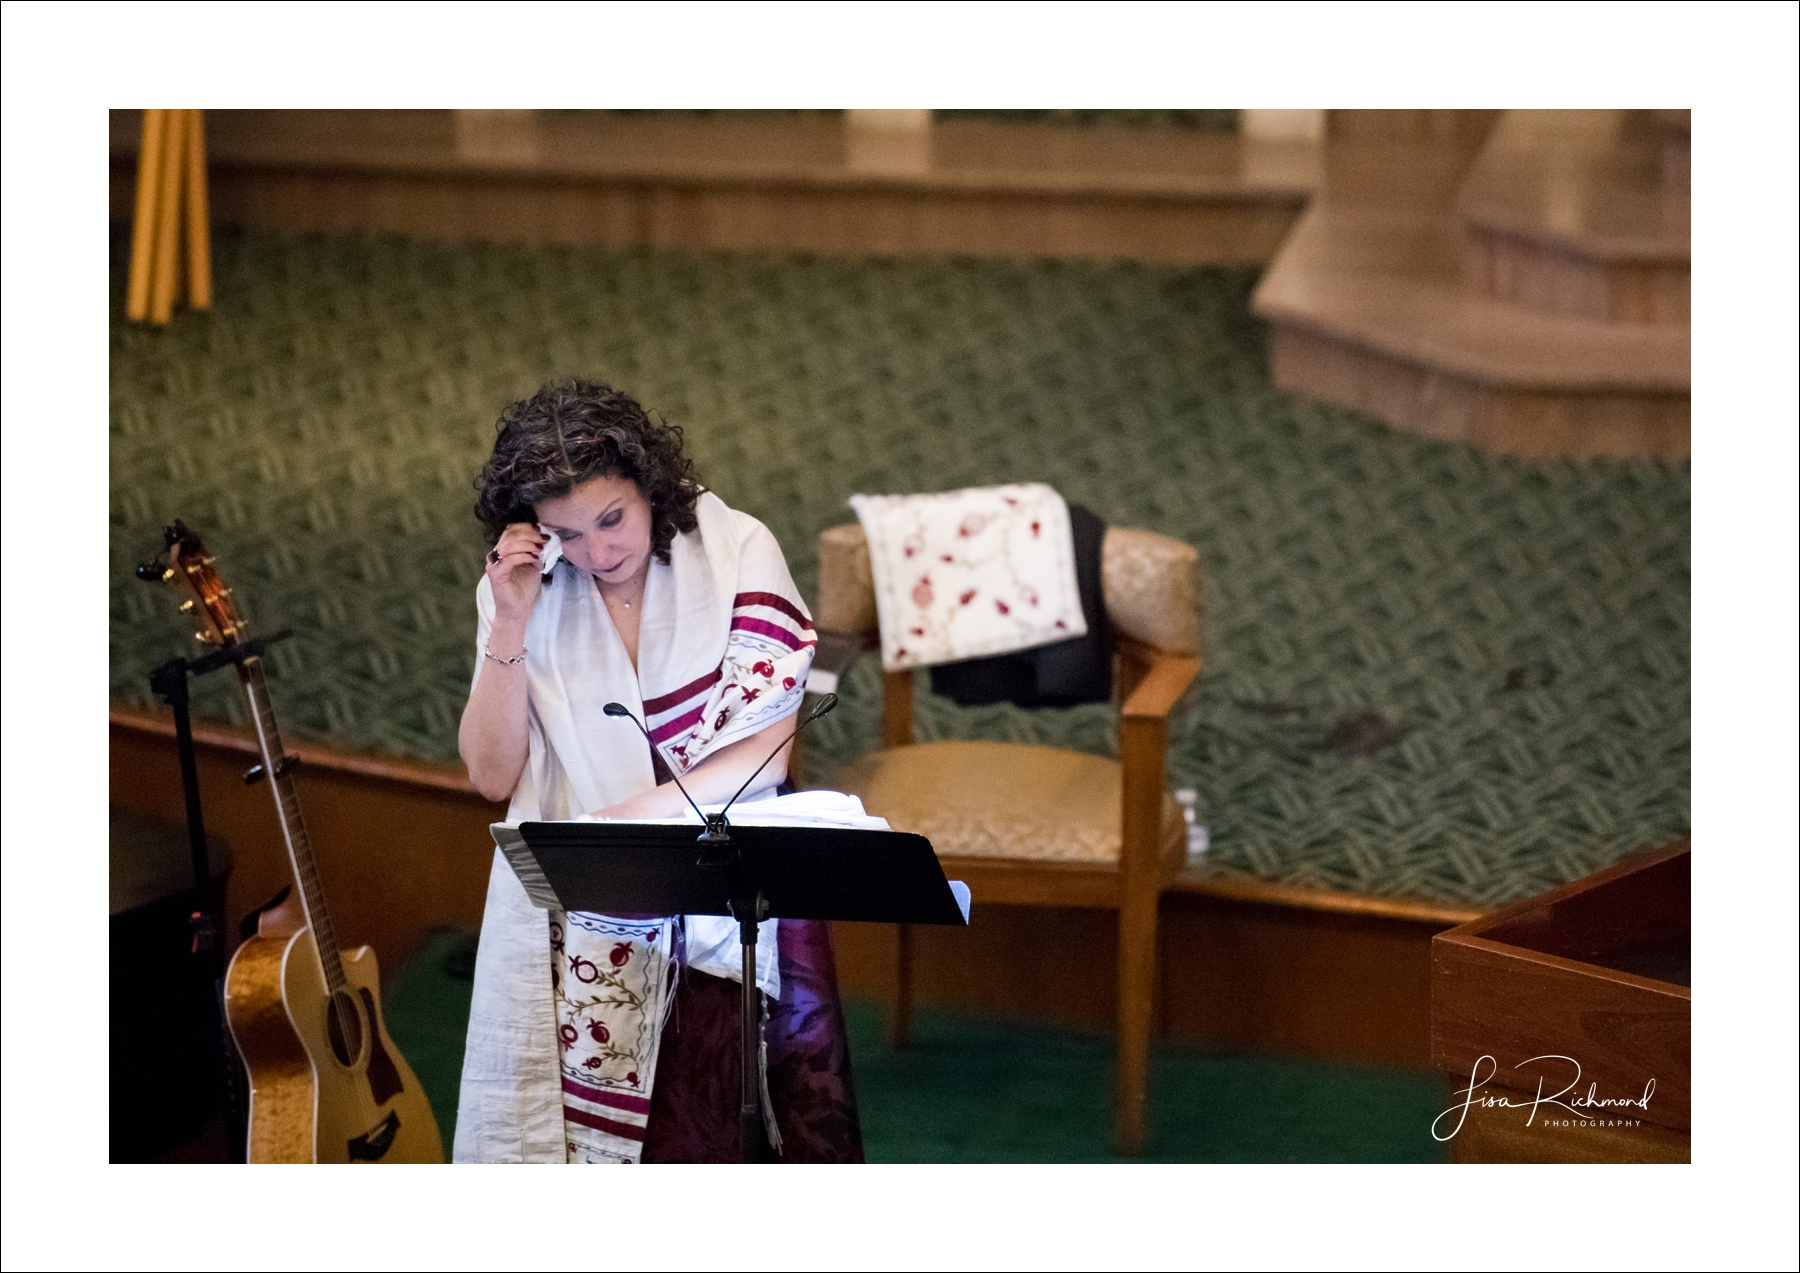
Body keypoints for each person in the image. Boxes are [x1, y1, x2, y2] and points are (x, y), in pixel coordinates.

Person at [452, 378, 864, 1164]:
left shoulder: (738, 548)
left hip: (725, 874)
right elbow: (490, 773)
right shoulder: (523, 588)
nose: (598, 552)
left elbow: (766, 750)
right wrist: (509, 618)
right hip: (595, 901)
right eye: (566, 535)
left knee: (721, 1143)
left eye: (612, 519)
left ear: (650, 485)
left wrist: (630, 823)